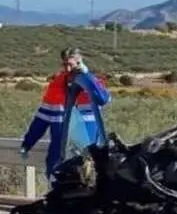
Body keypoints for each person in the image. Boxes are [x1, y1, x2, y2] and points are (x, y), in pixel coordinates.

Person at [19, 46, 112, 178]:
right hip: (59, 159)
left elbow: (103, 99)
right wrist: (27, 144)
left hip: (87, 157)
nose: (68, 69)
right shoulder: (56, 85)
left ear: (80, 62)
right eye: (64, 65)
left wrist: (86, 75)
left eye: (71, 65)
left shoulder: (91, 82)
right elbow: (41, 120)